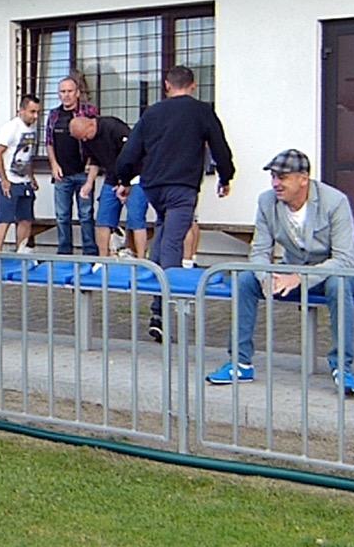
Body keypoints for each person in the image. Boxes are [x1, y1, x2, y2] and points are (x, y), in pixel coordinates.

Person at [205, 149, 354, 395]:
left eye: (282, 177)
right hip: (292, 269)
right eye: (273, 176)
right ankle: (240, 363)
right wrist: (266, 277)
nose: (275, 183)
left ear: (303, 179)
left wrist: (300, 277)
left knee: (338, 283)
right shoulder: (266, 201)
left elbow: (343, 259)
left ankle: (342, 368)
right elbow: (259, 251)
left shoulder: (335, 201)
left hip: (344, 271)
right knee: (246, 279)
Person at [115, 65, 235, 341]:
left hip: (153, 186)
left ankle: (157, 306)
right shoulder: (201, 111)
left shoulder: (152, 112)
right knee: (172, 243)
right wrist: (225, 177)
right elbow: (220, 147)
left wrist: (123, 179)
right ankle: (163, 313)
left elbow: (131, 151)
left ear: (167, 86)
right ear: (193, 86)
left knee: (162, 234)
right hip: (182, 188)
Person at [69, 115, 149, 258]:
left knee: (135, 217)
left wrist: (125, 183)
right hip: (113, 176)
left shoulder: (113, 127)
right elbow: (95, 161)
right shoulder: (87, 139)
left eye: (85, 136)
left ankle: (141, 258)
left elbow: (133, 154)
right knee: (103, 218)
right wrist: (89, 183)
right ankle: (103, 258)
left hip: (135, 175)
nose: (85, 140)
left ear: (91, 125)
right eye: (82, 139)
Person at [46, 76, 98, 255]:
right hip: (62, 174)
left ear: (77, 93)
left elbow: (96, 140)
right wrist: (53, 165)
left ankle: (90, 253)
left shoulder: (89, 111)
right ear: (58, 94)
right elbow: (49, 142)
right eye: (63, 91)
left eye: (70, 91)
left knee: (86, 215)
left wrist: (91, 164)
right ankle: (64, 253)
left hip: (84, 173)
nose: (66, 95)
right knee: (62, 216)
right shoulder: (54, 115)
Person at [0, 95, 40, 253]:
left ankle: (21, 251)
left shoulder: (32, 128)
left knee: (26, 218)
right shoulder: (11, 128)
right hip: (8, 177)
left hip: (24, 178)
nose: (35, 116)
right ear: (22, 110)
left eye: (37, 112)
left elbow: (27, 155)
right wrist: (4, 180)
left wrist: (31, 176)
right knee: (5, 218)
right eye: (32, 112)